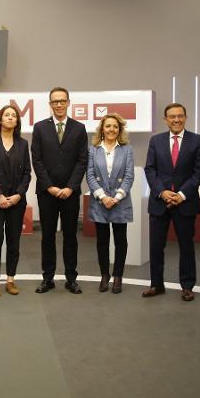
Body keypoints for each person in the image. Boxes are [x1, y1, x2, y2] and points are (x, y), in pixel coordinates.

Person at [143, 103, 200, 302]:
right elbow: (150, 170)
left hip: (185, 203)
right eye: (172, 116)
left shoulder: (197, 140)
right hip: (160, 202)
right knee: (156, 246)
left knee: (186, 246)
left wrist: (181, 194)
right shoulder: (156, 141)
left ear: (185, 117)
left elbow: (198, 172)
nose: (176, 119)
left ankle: (187, 286)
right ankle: (156, 284)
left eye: (180, 116)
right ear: (165, 119)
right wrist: (162, 192)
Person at [32, 87, 89, 294]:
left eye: (62, 101)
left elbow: (83, 160)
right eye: (54, 101)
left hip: (70, 193)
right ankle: (48, 279)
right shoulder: (39, 128)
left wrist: (70, 187)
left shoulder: (79, 128)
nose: (58, 104)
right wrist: (50, 186)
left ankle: (71, 278)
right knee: (47, 236)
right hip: (47, 192)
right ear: (50, 104)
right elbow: (36, 160)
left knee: (70, 236)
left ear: (68, 102)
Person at [0, 105, 31, 297]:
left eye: (13, 116)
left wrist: (18, 194)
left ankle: (10, 279)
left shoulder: (23, 144)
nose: (10, 118)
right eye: (6, 115)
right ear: (0, 120)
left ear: (17, 121)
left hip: (17, 201)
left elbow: (27, 172)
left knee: (13, 242)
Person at [86, 113, 134, 294]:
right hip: (100, 201)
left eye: (115, 126)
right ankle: (104, 275)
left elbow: (129, 175)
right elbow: (90, 174)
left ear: (119, 129)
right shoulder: (93, 149)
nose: (111, 129)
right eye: (108, 126)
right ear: (102, 129)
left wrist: (118, 196)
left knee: (121, 240)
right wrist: (102, 196)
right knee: (102, 241)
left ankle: (118, 276)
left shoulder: (127, 149)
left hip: (120, 201)